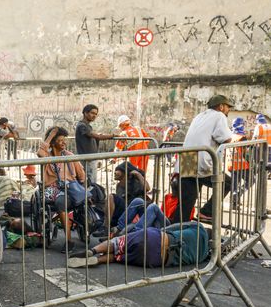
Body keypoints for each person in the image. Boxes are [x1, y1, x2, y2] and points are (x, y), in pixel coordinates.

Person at [173, 95, 233, 223]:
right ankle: (206, 212)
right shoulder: (219, 116)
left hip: (187, 157)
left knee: (187, 202)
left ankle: (174, 233)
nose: (228, 110)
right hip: (201, 159)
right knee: (227, 183)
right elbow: (227, 139)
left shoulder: (199, 116)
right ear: (221, 106)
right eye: (228, 107)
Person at [69, 222, 209, 269]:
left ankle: (93, 251)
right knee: (118, 257)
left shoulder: (198, 228)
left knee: (117, 243)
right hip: (157, 259)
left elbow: (171, 228)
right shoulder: (203, 257)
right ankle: (98, 260)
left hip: (157, 238)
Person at [37, 126, 86, 252]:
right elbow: (40, 153)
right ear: (53, 143)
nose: (64, 142)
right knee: (59, 201)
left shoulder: (70, 156)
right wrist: (51, 135)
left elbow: (82, 177)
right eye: (60, 140)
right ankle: (69, 241)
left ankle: (68, 233)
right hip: (53, 190)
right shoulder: (47, 156)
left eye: (65, 140)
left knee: (66, 199)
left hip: (70, 190)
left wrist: (84, 191)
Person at [75, 104, 114, 184]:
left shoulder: (87, 126)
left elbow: (95, 137)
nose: (94, 116)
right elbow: (95, 136)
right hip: (87, 159)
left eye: (96, 114)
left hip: (91, 158)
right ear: (85, 113)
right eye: (92, 113)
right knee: (89, 182)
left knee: (91, 181)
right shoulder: (82, 125)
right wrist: (112, 136)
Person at [227, 117, 251, 205]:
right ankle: (237, 195)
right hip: (241, 165)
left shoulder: (230, 136)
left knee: (234, 185)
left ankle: (234, 203)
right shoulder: (242, 137)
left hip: (231, 164)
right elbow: (246, 154)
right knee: (251, 180)